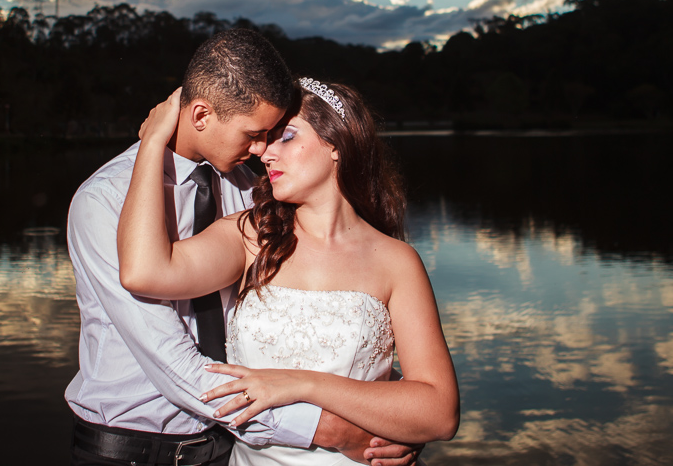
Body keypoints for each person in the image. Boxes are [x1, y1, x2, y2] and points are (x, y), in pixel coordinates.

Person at [65, 29, 422, 466]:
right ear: (200, 115)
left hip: (230, 446)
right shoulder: (103, 202)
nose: (261, 150)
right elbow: (175, 366)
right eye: (254, 133)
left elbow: (306, 309)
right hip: (133, 451)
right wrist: (333, 430)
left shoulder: (248, 192)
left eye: (273, 135)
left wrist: (393, 409)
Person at [117, 77, 460, 465]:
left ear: (335, 145)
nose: (264, 154)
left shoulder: (397, 262)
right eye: (266, 139)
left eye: (286, 137)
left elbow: (440, 413)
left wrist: (303, 384)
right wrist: (151, 145)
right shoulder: (249, 238)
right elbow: (142, 271)